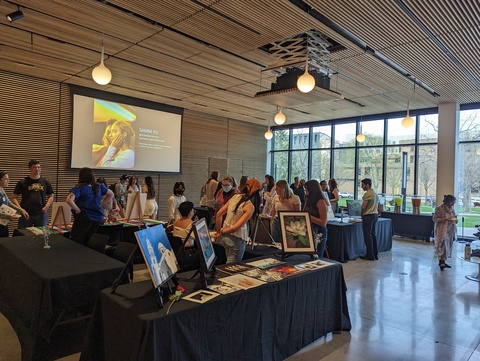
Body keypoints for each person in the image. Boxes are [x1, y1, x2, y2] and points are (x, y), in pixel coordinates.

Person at [215, 178, 261, 263]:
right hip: (236, 239)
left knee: (228, 262)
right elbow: (235, 228)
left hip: (225, 238)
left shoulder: (235, 197)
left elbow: (219, 214)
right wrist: (223, 231)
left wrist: (218, 232)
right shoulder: (249, 206)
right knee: (231, 267)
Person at [66, 167, 114, 245]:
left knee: (77, 241)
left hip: (84, 217)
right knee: (90, 241)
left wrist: (78, 210)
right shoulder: (98, 186)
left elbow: (69, 200)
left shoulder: (80, 188)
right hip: (97, 218)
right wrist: (101, 203)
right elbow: (111, 194)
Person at [12, 159, 54, 228]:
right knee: (23, 235)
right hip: (26, 213)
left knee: (41, 235)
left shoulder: (45, 182)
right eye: (34, 167)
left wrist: (47, 206)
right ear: (29, 169)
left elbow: (51, 196)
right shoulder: (22, 182)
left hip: (41, 213)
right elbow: (14, 198)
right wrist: (21, 209)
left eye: (39, 167)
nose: (37, 169)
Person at [271, 180, 301, 245]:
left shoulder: (295, 198)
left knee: (286, 243)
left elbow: (298, 215)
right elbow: (273, 212)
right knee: (275, 242)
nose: (275, 190)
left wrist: (289, 206)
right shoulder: (276, 197)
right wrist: (271, 221)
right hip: (276, 221)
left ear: (282, 189)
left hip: (288, 222)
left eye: (277, 188)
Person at [304, 180, 329, 257]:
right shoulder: (308, 200)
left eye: (306, 189)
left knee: (317, 256)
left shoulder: (321, 202)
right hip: (308, 230)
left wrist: (308, 217)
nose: (305, 191)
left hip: (319, 232)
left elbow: (323, 222)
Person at [433, 194, 457, 271]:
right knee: (441, 244)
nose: (453, 204)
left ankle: (444, 261)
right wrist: (445, 219)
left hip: (449, 229)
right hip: (441, 229)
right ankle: (441, 262)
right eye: (452, 202)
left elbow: (453, 216)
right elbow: (435, 219)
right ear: (448, 202)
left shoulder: (451, 208)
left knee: (447, 245)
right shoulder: (439, 208)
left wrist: (454, 220)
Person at [0, 170, 28, 237]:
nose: (8, 181)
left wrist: (21, 210)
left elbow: (9, 203)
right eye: (6, 179)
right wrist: (8, 216)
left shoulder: (2, 190)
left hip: (3, 223)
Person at [360, 178, 379, 261]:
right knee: (373, 235)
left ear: (367, 185)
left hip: (368, 216)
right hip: (375, 215)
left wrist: (361, 214)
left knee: (367, 236)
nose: (362, 186)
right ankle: (375, 254)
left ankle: (370, 255)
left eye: (363, 184)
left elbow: (364, 207)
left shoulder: (367, 194)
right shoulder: (375, 194)